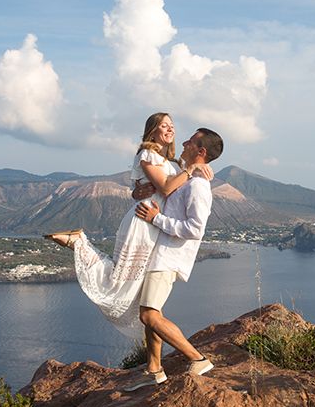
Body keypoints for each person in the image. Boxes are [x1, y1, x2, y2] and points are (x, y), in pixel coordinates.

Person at [45, 113, 212, 338]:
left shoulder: (172, 162)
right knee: (120, 279)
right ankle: (78, 243)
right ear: (152, 130)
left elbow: (174, 188)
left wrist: (195, 171)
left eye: (172, 125)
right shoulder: (148, 154)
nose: (170, 130)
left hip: (156, 228)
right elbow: (164, 188)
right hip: (144, 222)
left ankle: (155, 366)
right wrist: (191, 170)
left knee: (145, 296)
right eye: (164, 125)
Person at [122, 127, 224, 391]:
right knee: (153, 311)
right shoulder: (187, 178)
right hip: (159, 253)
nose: (184, 142)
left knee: (149, 315)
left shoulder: (199, 187)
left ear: (200, 151)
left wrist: (156, 218)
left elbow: (194, 229)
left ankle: (197, 358)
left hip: (168, 257)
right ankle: (154, 370)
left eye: (190, 141)